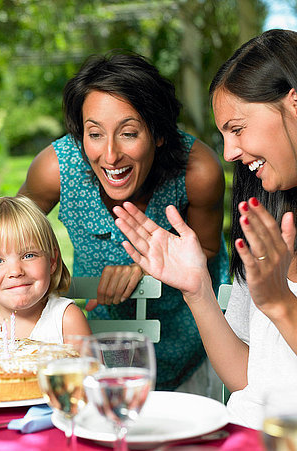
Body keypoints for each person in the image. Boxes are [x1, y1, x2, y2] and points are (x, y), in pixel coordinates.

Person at [113, 29, 297, 429]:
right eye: (224, 135)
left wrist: (282, 304)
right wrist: (197, 290)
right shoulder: (266, 213)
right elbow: (249, 378)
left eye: (237, 128)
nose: (229, 152)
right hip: (247, 430)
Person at [18, 52, 229, 393]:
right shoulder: (55, 170)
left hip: (191, 345)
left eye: (129, 133)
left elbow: (207, 249)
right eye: (95, 134)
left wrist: (145, 269)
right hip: (98, 349)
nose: (111, 155)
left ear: (159, 133)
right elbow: (7, 233)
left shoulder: (198, 171)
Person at [0, 196, 91, 344]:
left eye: (28, 255)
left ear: (52, 261)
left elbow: (90, 367)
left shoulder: (66, 320)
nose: (15, 271)